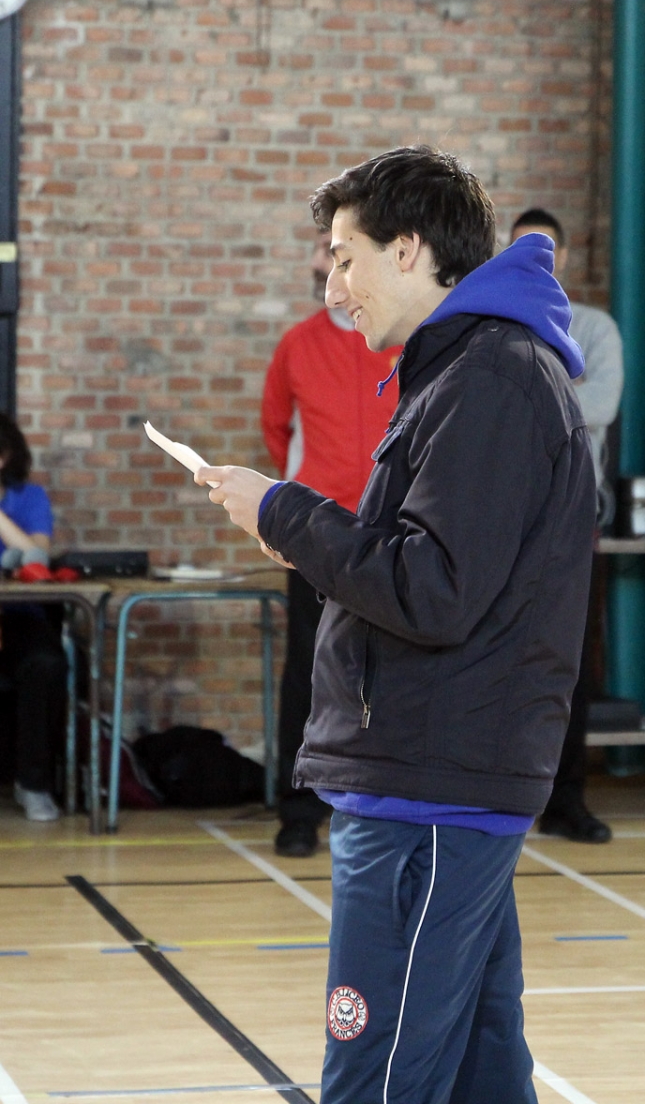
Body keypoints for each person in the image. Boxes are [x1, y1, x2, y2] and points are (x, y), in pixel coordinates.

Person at [196, 145, 596, 1104]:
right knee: (480, 1070)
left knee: (378, 1075)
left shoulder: (490, 380)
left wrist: (288, 512)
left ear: (408, 249)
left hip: (430, 787)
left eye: (346, 257)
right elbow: (437, 566)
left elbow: (433, 590)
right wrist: (303, 534)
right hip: (437, 776)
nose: (335, 286)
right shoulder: (468, 370)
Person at [261, 231, 400, 857]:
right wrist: (306, 504)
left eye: (343, 251)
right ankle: (298, 811)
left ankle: (385, 802)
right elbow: (276, 429)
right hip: (317, 534)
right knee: (309, 670)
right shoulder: (297, 344)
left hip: (392, 532)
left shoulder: (400, 341)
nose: (333, 263)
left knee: (393, 670)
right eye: (326, 250)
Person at [511, 208, 624, 844]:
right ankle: (502, 795)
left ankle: (566, 800)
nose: (537, 258)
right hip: (507, 519)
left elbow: (600, 405)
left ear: (566, 257)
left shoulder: (595, 329)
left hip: (574, 520)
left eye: (547, 248)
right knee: (502, 658)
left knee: (571, 665)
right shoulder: (496, 326)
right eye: (522, 247)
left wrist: (527, 395)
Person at [0, 413, 67, 822]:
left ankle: (33, 783)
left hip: (18, 615)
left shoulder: (29, 498)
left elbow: (36, 555)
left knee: (46, 664)